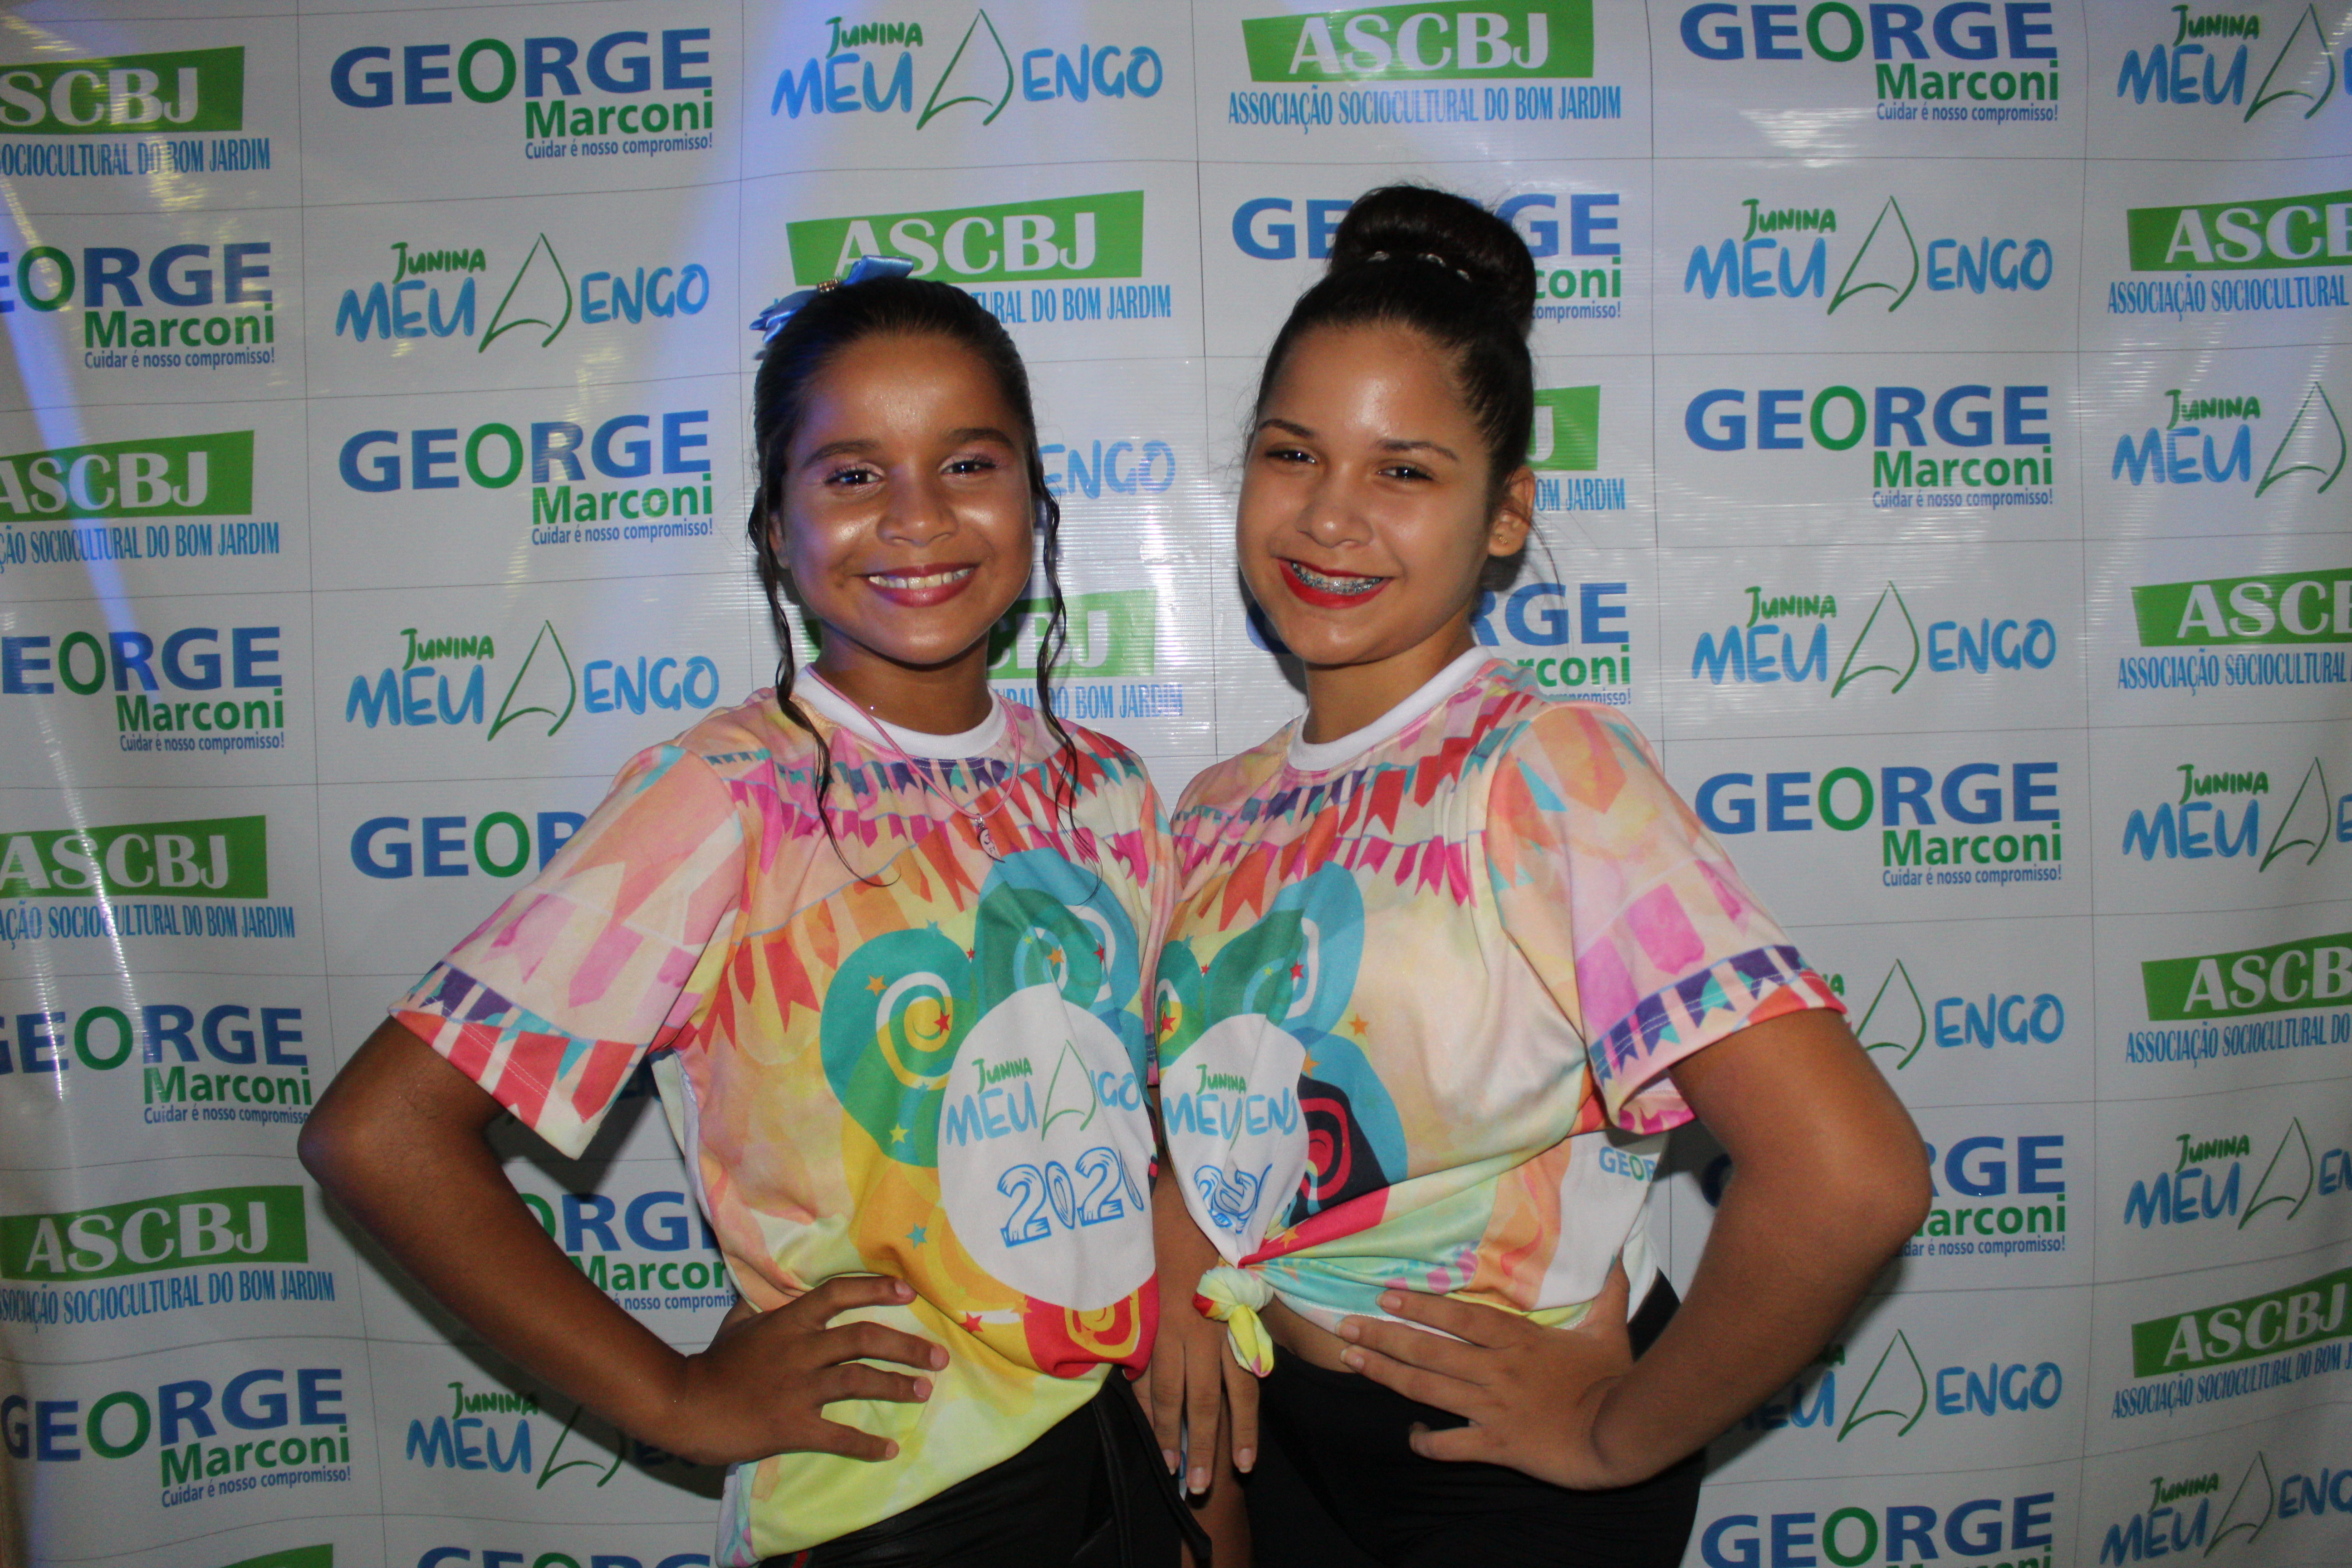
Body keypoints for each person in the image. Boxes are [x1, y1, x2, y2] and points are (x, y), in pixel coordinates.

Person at [300, 261, 1204, 1568]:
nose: (917, 518)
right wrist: (677, 1400)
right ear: (777, 531)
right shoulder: (728, 794)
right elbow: (379, 1135)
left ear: (1035, 501)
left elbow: (1147, 1130)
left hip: (1128, 1457)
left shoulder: (1107, 789)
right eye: (852, 475)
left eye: (968, 463)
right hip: (892, 1500)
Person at [1146, 187, 1932, 1568]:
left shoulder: (1545, 769)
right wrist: (1178, 1239)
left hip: (1491, 1479)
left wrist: (1619, 1436)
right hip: (1276, 1439)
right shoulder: (1215, 809)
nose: (1330, 516)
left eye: (1404, 472)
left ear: (1506, 514)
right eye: (1293, 453)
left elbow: (1851, 1176)